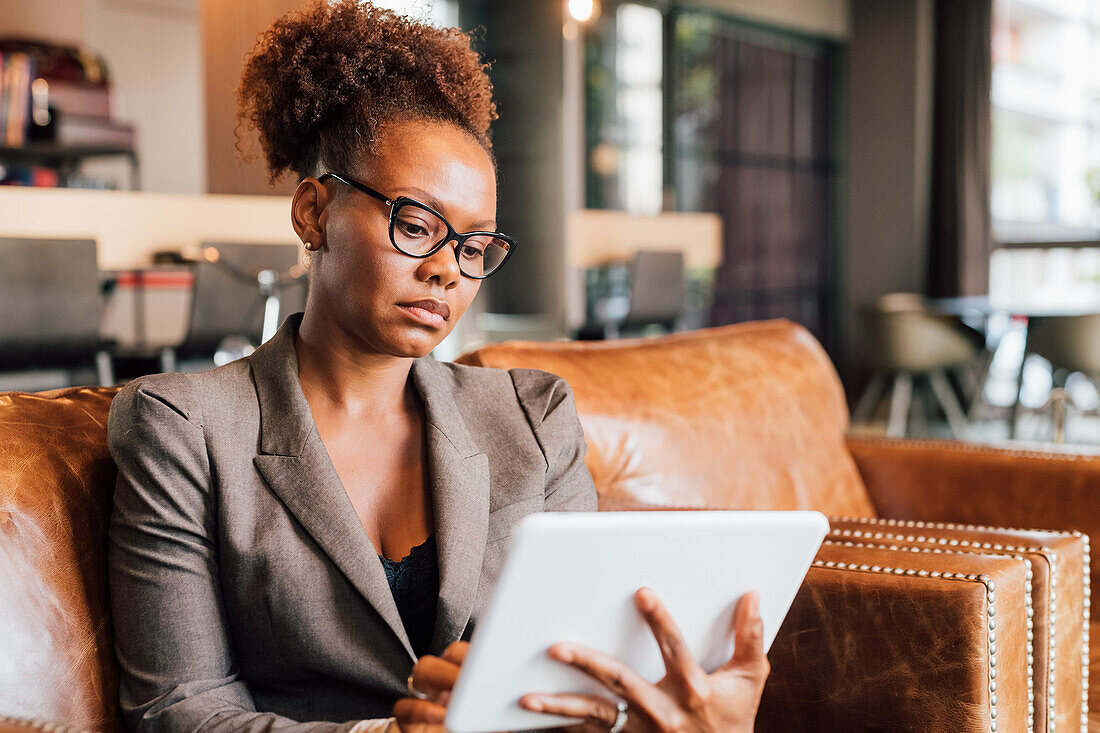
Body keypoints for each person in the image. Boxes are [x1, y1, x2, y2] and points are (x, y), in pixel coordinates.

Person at [106, 2, 770, 732]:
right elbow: (177, 708)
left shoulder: (534, 415)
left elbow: (577, 673)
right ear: (312, 211)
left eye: (474, 245)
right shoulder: (183, 427)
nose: (448, 270)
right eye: (417, 225)